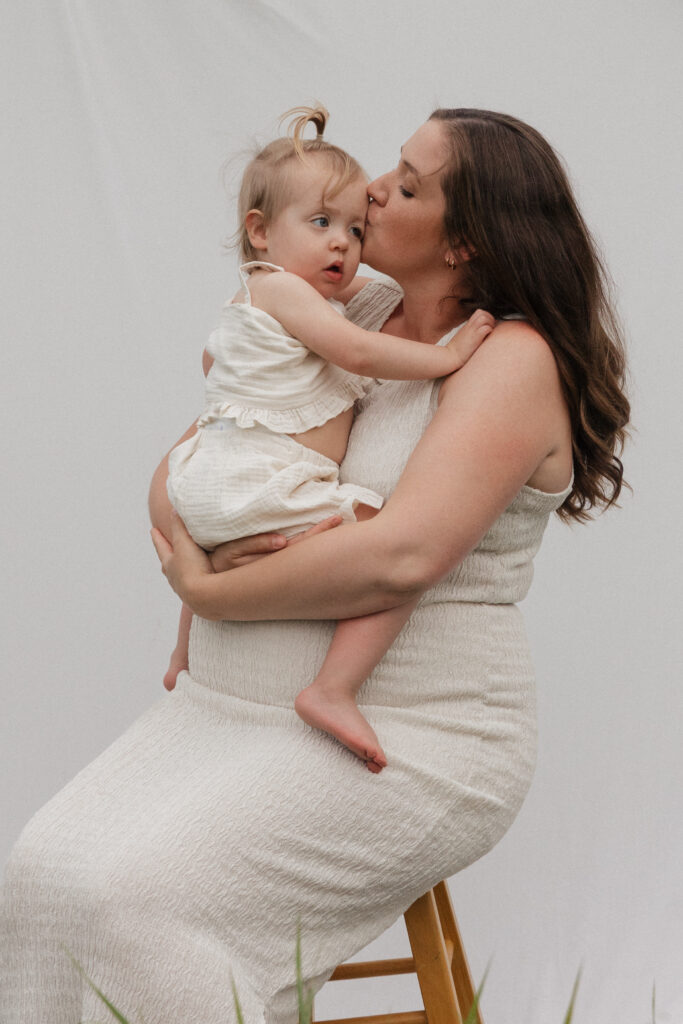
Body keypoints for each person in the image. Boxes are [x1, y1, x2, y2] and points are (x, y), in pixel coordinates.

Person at [0, 108, 629, 1024]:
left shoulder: (508, 359)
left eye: (407, 185)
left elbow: (398, 556)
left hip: (413, 732)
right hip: (226, 711)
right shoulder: (349, 312)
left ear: (464, 242)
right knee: (43, 872)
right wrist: (194, 530)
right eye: (390, 168)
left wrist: (209, 590)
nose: (372, 189)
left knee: (138, 907)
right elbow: (199, 455)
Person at [163, 106, 493, 773]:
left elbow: (220, 372)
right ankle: (333, 687)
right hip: (256, 479)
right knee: (381, 533)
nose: (343, 242)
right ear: (259, 232)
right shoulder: (287, 294)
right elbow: (359, 353)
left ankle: (184, 650)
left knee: (386, 548)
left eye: (353, 228)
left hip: (219, 482)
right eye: (321, 224)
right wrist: (450, 357)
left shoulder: (289, 299)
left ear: (462, 241)